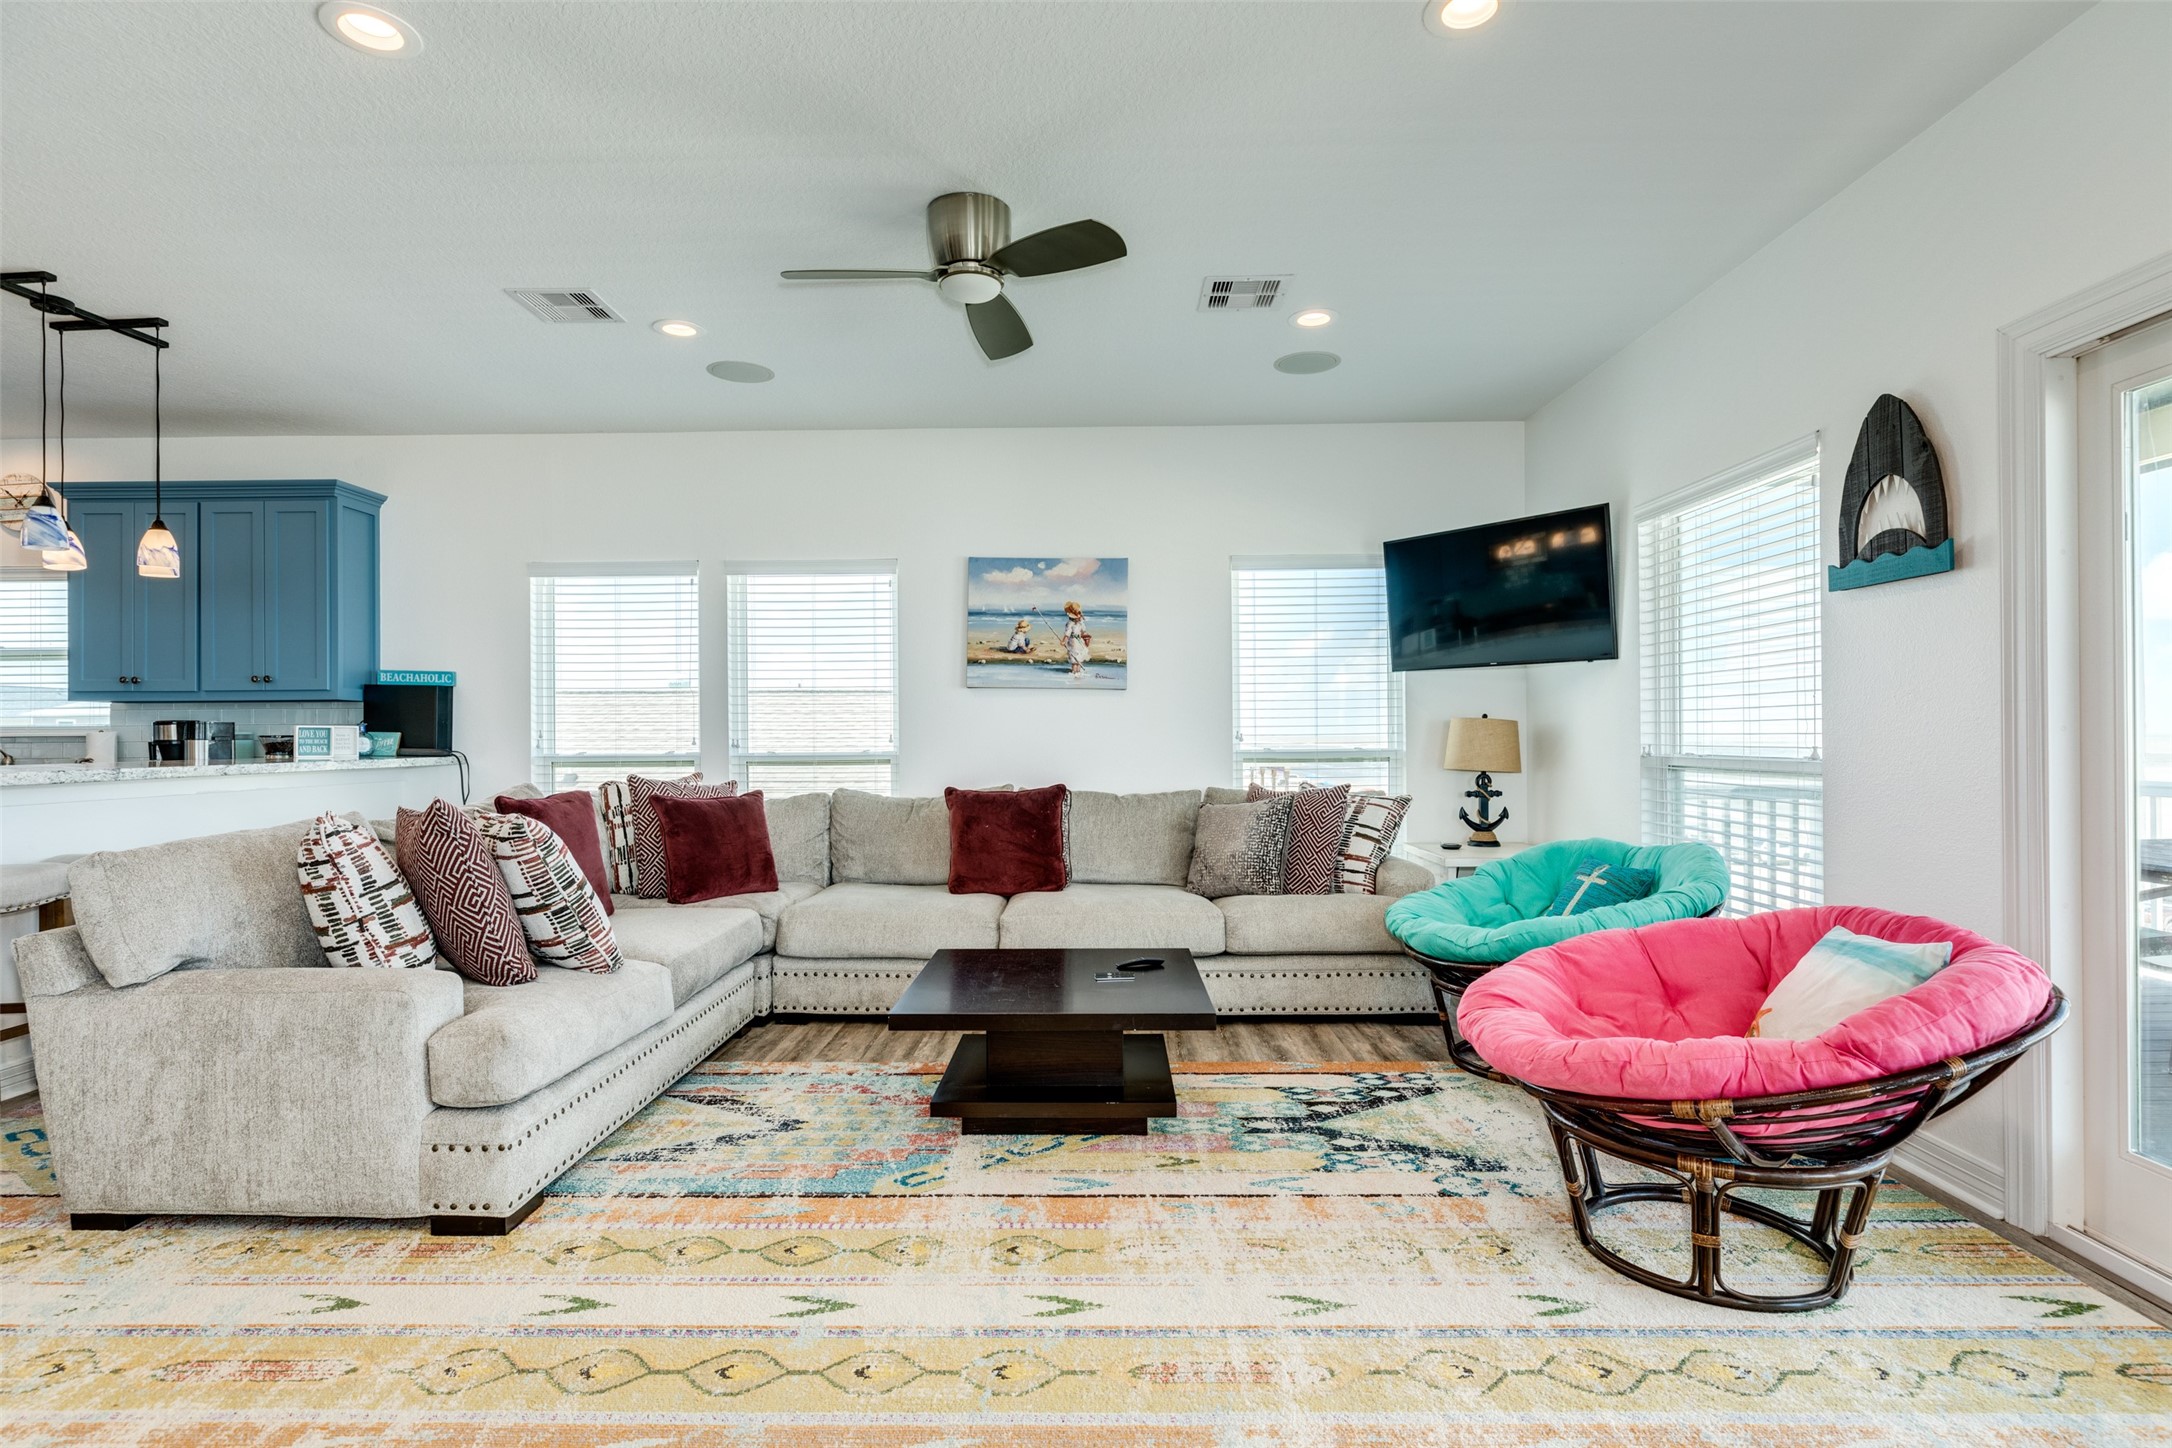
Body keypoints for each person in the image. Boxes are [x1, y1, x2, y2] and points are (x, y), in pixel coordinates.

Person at [1062, 601, 1090, 676]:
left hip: (1074, 642)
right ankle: (1078, 673)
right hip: (1080, 641)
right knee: (1078, 658)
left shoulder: (1070, 624)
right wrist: (1086, 638)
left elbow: (1067, 634)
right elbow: (1084, 632)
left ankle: (1074, 673)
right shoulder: (1081, 623)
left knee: (1075, 659)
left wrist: (1063, 641)